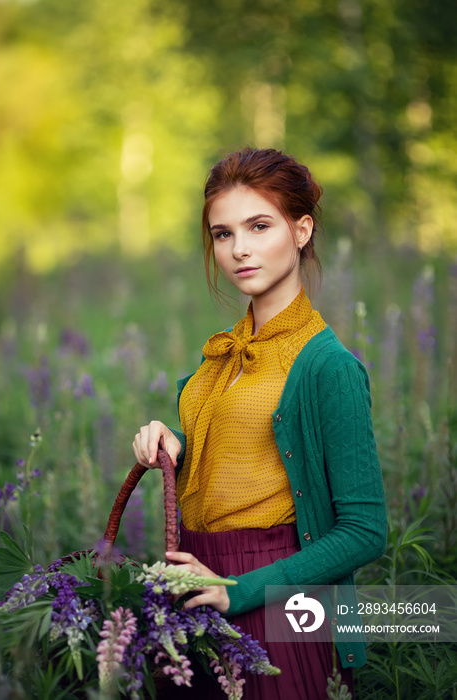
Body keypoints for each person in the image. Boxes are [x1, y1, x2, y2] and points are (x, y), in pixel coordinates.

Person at [133, 147, 387, 699]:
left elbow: (366, 530)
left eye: (259, 225)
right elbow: (243, 449)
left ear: (301, 230)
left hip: (275, 603)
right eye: (223, 234)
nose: (239, 249)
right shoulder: (225, 353)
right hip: (197, 589)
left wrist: (241, 590)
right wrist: (174, 443)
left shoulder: (328, 366)